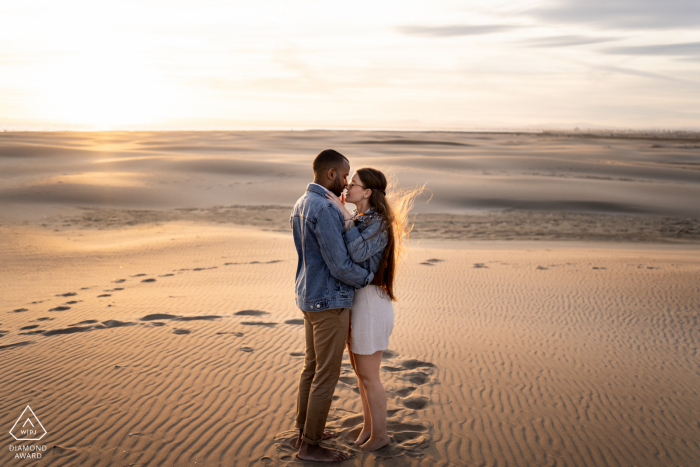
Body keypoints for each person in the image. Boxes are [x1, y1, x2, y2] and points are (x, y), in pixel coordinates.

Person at [325, 167, 421, 452]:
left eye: (353, 184)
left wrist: (343, 216)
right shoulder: (361, 218)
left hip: (371, 302)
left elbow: (354, 254)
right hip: (358, 302)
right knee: (361, 374)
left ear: (367, 192)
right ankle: (369, 428)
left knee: (370, 375)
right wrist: (347, 216)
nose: (347, 187)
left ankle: (381, 435)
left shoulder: (378, 222)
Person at [290, 149, 375, 462]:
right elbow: (339, 265)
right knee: (325, 375)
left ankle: (304, 431)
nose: (345, 182)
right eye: (344, 175)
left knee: (311, 370)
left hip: (309, 297)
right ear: (330, 174)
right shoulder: (324, 207)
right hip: (329, 301)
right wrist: (368, 277)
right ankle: (310, 446)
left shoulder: (302, 203)